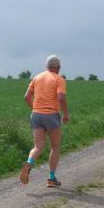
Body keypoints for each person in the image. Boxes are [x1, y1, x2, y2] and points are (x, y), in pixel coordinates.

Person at [20, 54, 69, 187]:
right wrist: (65, 114)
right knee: (55, 147)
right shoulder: (59, 79)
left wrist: (36, 108)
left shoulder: (37, 77)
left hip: (36, 115)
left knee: (38, 147)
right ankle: (51, 178)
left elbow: (26, 97)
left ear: (47, 66)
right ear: (58, 67)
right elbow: (61, 98)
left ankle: (29, 163)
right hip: (51, 115)